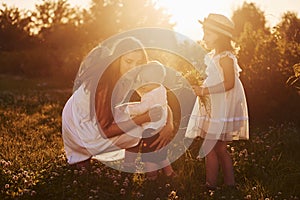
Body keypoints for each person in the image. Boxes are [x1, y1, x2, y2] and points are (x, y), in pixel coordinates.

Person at [61, 37, 174, 169]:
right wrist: (145, 118)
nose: (133, 67)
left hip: (100, 117)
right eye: (128, 61)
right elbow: (105, 131)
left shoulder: (132, 76)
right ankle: (82, 150)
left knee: (135, 124)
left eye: (138, 63)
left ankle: (128, 166)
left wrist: (169, 124)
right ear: (117, 59)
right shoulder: (104, 83)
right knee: (136, 129)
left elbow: (157, 100)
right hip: (79, 122)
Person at [185, 13, 249, 190]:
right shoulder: (216, 56)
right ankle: (229, 184)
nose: (204, 36)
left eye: (208, 33)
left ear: (220, 35)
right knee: (219, 148)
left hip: (221, 107)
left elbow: (229, 83)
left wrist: (204, 90)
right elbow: (216, 79)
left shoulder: (226, 57)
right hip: (214, 105)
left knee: (210, 147)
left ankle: (210, 185)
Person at [115, 61, 175, 180]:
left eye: (146, 81)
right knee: (161, 153)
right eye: (142, 80)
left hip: (151, 130)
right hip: (160, 127)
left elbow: (141, 108)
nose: (143, 84)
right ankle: (170, 173)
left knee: (149, 157)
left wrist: (126, 108)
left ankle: (152, 177)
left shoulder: (150, 95)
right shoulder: (161, 89)